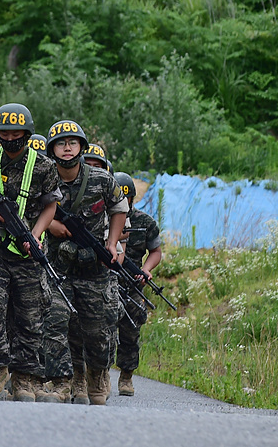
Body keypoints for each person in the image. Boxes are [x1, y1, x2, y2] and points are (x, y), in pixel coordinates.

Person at [0, 103, 61, 402]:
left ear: (27, 132)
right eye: (4, 133)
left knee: (29, 318)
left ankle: (25, 378)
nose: (10, 138)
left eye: (16, 132)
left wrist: (35, 235)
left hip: (27, 254)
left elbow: (51, 204)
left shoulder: (43, 165)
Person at [41, 120, 127, 405]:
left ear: (81, 147)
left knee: (97, 332)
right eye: (61, 143)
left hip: (93, 269)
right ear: (52, 149)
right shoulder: (44, 176)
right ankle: (62, 381)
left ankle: (96, 375)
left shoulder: (100, 179)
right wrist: (50, 224)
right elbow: (25, 209)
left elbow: (119, 207)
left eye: (72, 143)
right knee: (55, 322)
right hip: (57, 267)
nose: (67, 148)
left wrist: (112, 243)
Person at [112, 170, 162, 397]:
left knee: (130, 332)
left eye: (126, 198)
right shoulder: (104, 218)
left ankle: (126, 377)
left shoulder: (145, 222)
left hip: (132, 284)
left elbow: (156, 251)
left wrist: (146, 269)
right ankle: (96, 375)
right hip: (106, 280)